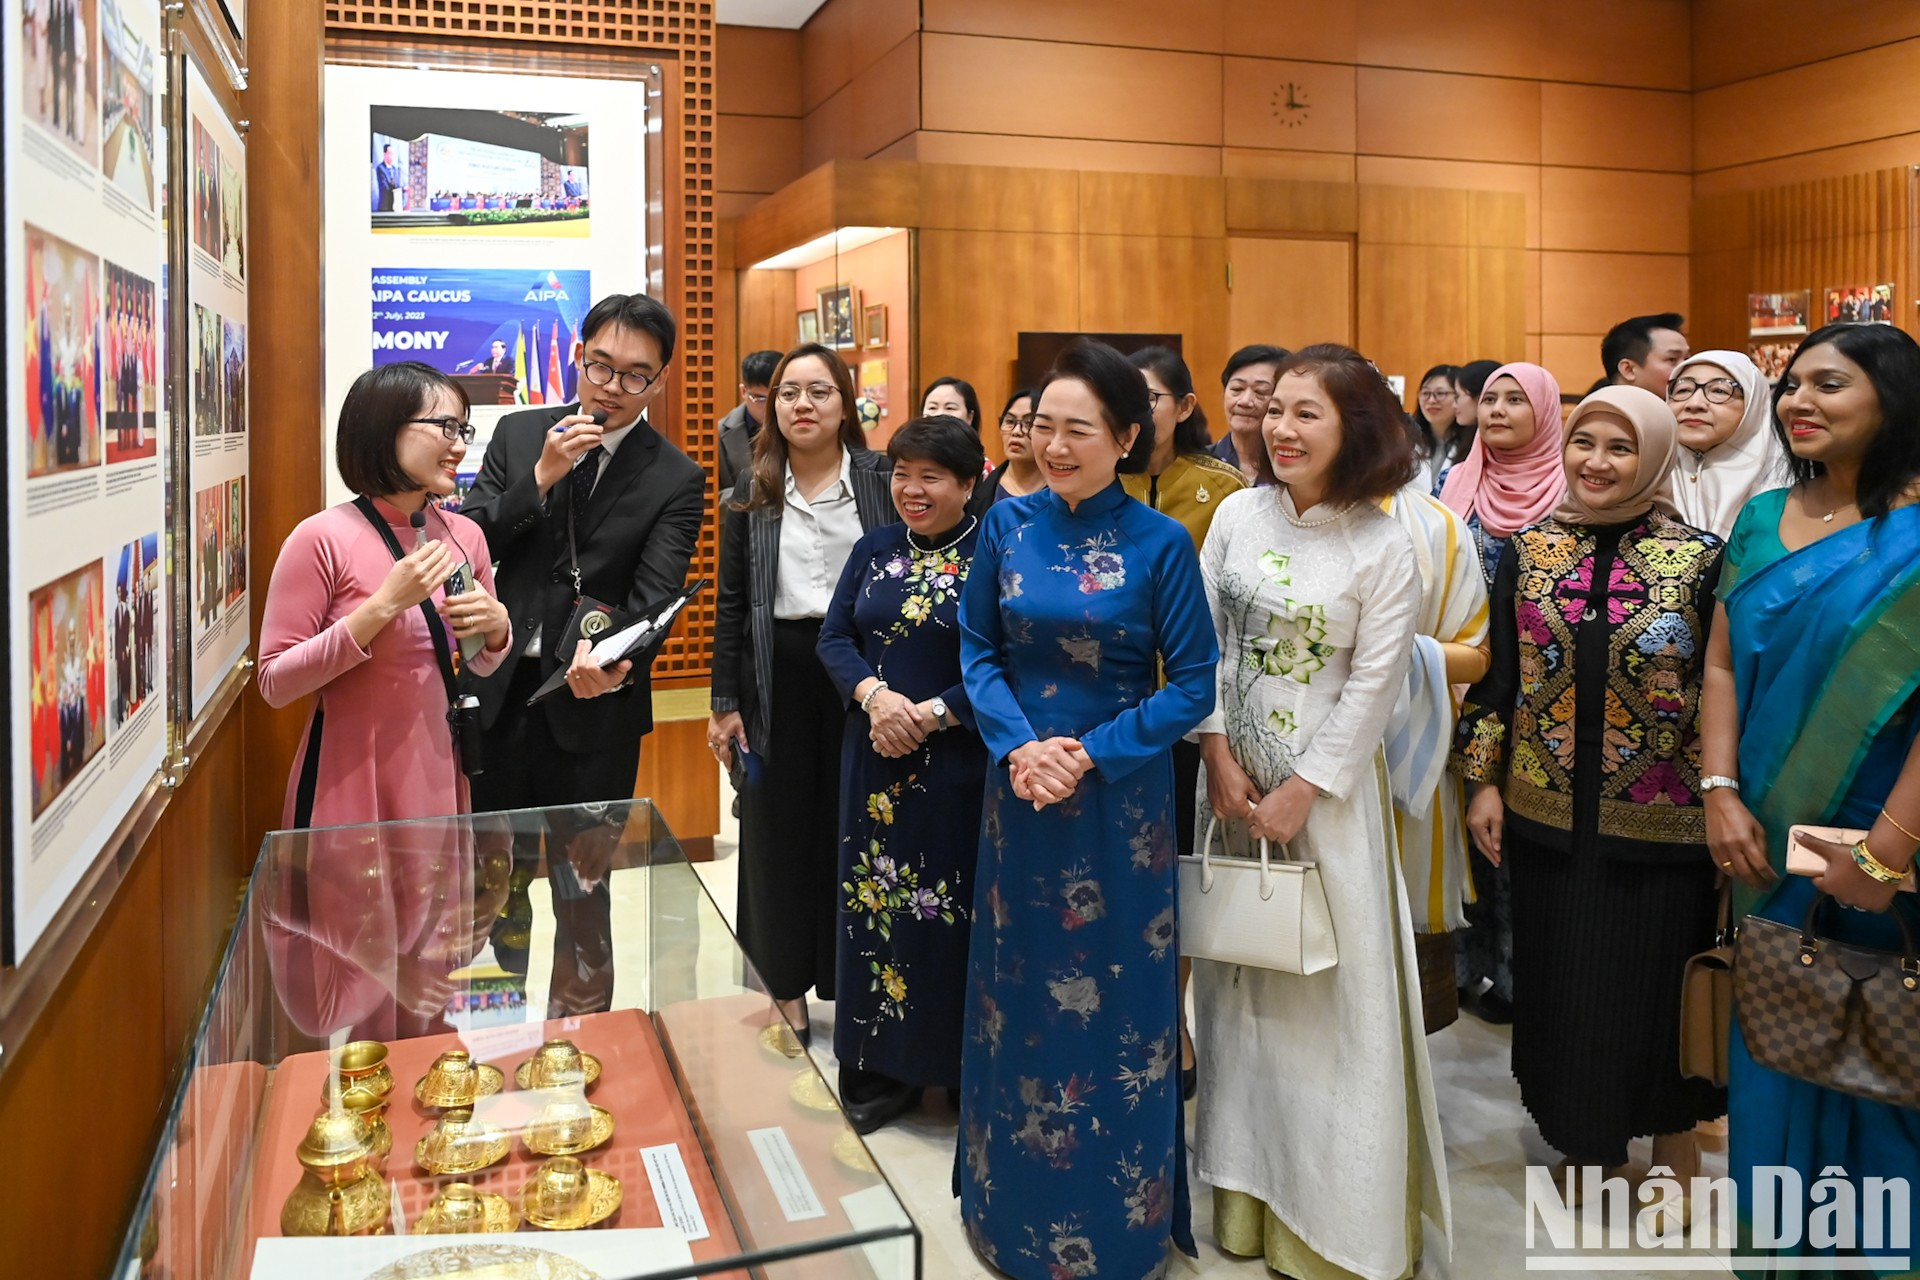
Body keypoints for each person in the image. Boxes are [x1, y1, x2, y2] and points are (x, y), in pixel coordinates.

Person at [955, 338, 1216, 1280]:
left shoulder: (1163, 543)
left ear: (1127, 437)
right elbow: (978, 650)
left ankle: (1119, 1226)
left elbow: (1192, 685)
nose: (1055, 445)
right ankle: (1005, 1213)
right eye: (1042, 426)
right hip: (1017, 789)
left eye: (1079, 429)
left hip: (1119, 807)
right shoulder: (1006, 525)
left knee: (1117, 1013)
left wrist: (1086, 755)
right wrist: (1021, 746)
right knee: (1012, 994)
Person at [1190, 343, 1446, 1280]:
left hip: (1325, 806)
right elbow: (1203, 649)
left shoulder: (1384, 542)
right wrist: (1217, 757)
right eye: (1274, 409)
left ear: (1358, 428)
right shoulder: (1233, 514)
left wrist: (1304, 789)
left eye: (1308, 413)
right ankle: (1245, 1196)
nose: (1281, 428)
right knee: (1238, 994)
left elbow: (1375, 685)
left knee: (1329, 1010)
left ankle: (1331, 1227)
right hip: (1228, 790)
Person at [1455, 384, 1726, 1197]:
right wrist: (1484, 784)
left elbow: (1724, 688)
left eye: (1620, 448)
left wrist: (1722, 794)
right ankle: (1587, 1148)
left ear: (1653, 455)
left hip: (1666, 829)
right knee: (1570, 993)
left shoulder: (1703, 557)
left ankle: (1676, 1162)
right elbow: (1499, 680)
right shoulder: (1531, 551)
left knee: (1658, 998)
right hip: (1543, 820)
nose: (1597, 463)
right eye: (1584, 444)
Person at [1701, 323, 1920, 1262]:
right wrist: (1718, 789)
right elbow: (1717, 667)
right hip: (1760, 838)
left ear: (1894, 399)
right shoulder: (1759, 519)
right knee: (1776, 1055)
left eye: (1829, 384)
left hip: (1881, 844)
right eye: (1791, 386)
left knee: (1880, 1057)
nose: (1799, 403)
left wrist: (1888, 853)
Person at [709, 343, 897, 1045]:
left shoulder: (881, 479)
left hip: (863, 672)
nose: (802, 405)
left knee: (856, 824)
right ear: (770, 405)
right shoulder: (748, 492)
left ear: (845, 403)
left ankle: (852, 985)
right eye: (789, 393)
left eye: (819, 392)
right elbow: (733, 605)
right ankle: (783, 986)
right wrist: (723, 703)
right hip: (777, 671)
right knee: (773, 831)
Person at [461, 292, 704, 812]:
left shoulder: (676, 476)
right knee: (493, 880)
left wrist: (618, 663)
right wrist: (542, 476)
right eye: (601, 367)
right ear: (578, 355)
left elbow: (655, 597)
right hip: (498, 693)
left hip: (594, 702)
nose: (613, 389)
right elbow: (472, 539)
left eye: (636, 375)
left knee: (586, 885)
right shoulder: (519, 433)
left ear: (660, 380)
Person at [816, 416, 988, 1134]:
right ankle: (877, 1068)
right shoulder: (874, 547)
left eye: (932, 477)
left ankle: (943, 1069)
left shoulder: (995, 553)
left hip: (954, 766)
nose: (912, 490)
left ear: (970, 483)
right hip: (872, 763)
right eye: (902, 474)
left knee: (942, 914)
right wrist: (875, 699)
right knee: (873, 906)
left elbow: (1008, 663)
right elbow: (834, 638)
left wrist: (933, 715)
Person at [257, 362, 511, 828]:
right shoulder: (321, 538)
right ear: (385, 428)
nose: (459, 445)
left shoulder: (465, 536)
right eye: (445, 427)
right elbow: (275, 682)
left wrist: (497, 629)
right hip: (348, 773)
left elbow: (478, 662)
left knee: (435, 900)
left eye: (463, 429)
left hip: (439, 764)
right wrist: (383, 606)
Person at [1122, 344, 1248, 1097]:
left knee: (1177, 880)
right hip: (1104, 715)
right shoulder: (1095, 484)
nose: (1139, 415)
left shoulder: (1221, 490)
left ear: (1184, 406)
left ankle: (1172, 1020)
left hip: (1187, 717)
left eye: (1152, 399)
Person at [1438, 360, 1566, 1023]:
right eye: (1491, 399)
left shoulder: (1574, 490)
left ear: (1545, 412)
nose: (1498, 411)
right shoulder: (1451, 483)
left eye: (1517, 400)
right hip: (1462, 683)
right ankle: (1465, 964)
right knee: (1466, 829)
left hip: (1543, 693)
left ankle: (1522, 976)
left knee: (1518, 839)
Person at [1665, 349, 1786, 539]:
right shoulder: (1648, 475)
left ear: (1753, 406)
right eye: (1683, 390)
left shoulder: (1786, 484)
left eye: (1719, 391)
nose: (1694, 403)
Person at [1214, 344, 1288, 484]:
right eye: (1237, 389)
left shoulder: (1294, 470)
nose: (1245, 401)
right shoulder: (1198, 463)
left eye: (1261, 391)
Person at [968, 388, 1042, 515]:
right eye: (1009, 421)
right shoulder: (982, 488)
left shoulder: (1062, 492)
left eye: (1028, 423)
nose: (1016, 431)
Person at [718, 349, 780, 496]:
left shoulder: (800, 426)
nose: (770, 407)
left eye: (778, 396)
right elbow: (709, 498)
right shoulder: (719, 434)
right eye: (760, 398)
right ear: (744, 392)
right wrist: (753, 493)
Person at [1600, 312, 1689, 395]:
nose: (1687, 367)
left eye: (1687, 359)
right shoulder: (1601, 410)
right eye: (1672, 359)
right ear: (1629, 369)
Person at [1408, 363, 1459, 492]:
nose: (1431, 400)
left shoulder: (1471, 445)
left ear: (1460, 397)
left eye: (1440, 393)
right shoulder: (1407, 441)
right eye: (1425, 393)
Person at [374, 144, 403, 212]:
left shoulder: (394, 169)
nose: (391, 156)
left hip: (395, 206)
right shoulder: (380, 168)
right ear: (385, 154)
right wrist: (393, 185)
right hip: (385, 206)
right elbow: (384, 186)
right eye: (389, 153)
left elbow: (397, 184)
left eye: (392, 154)